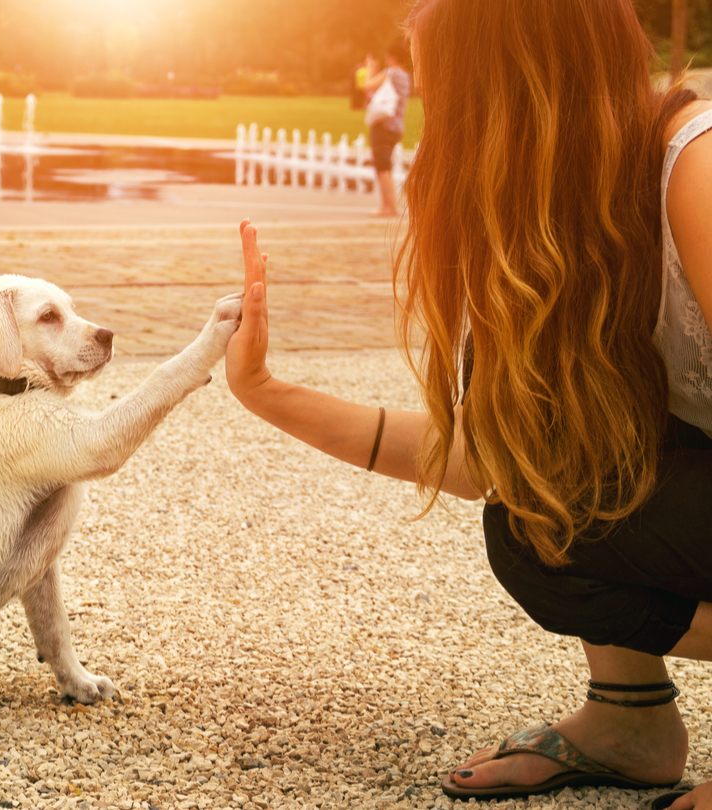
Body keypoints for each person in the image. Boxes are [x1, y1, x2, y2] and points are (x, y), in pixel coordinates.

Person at [225, 0, 712, 806]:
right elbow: (494, 462)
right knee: (535, 522)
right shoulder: (563, 222)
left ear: (520, 88)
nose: (433, 133)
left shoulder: (694, 171)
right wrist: (266, 393)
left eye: (447, 97)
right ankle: (629, 724)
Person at [361, 41, 411, 217]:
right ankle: (389, 206)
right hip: (397, 126)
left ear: (393, 57)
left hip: (384, 125)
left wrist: (370, 69)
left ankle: (388, 207)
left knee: (382, 166)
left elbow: (367, 86)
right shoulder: (405, 76)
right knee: (386, 166)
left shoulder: (390, 73)